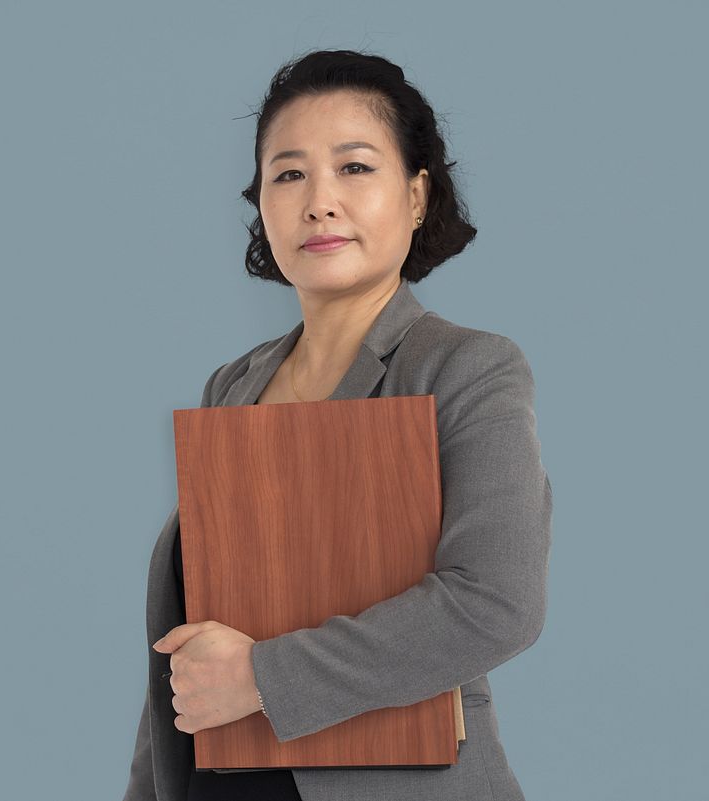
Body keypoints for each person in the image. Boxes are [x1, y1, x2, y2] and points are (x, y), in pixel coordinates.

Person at [122, 49, 552, 801]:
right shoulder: (234, 386)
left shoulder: (465, 368)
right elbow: (192, 651)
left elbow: (495, 602)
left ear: (417, 196)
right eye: (288, 174)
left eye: (354, 168)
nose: (319, 200)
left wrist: (261, 677)